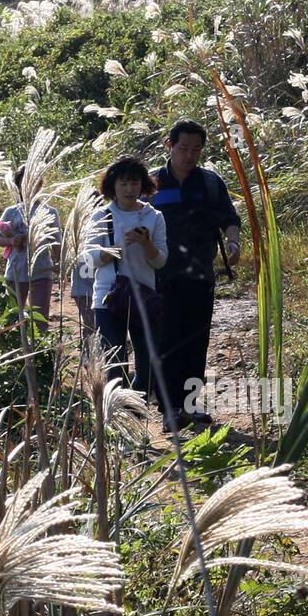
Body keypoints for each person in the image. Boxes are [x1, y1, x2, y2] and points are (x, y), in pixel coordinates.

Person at [151, 119, 242, 428]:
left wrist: (233, 241)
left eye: (196, 149)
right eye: (183, 148)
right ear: (169, 145)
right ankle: (169, 409)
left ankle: (190, 406)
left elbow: (229, 217)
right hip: (161, 277)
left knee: (196, 341)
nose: (189, 155)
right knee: (167, 342)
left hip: (201, 275)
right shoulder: (151, 184)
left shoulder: (209, 183)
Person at [87, 154, 168, 397]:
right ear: (112, 186)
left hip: (144, 296)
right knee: (114, 365)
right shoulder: (100, 216)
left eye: (134, 183)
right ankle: (116, 421)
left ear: (143, 185)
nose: (129, 189)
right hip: (107, 298)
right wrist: (116, 250)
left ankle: (137, 415)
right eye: (123, 183)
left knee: (147, 366)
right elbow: (89, 259)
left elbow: (161, 260)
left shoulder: (154, 217)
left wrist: (146, 244)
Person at [0, 166, 58, 327]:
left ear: (40, 184)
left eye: (34, 181)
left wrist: (59, 263)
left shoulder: (49, 212)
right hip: (15, 271)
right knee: (12, 318)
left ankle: (40, 351)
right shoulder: (11, 211)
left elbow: (57, 241)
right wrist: (11, 241)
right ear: (19, 186)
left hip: (42, 270)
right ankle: (17, 350)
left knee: (40, 318)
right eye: (25, 182)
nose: (30, 186)